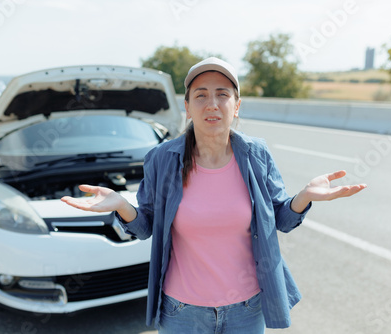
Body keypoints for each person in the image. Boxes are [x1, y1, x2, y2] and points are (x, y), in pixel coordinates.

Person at [61, 57, 367, 333]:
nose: (212, 104)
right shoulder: (162, 158)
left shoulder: (255, 154)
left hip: (246, 310)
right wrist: (122, 206)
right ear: (188, 107)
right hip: (182, 311)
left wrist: (304, 197)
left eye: (222, 94)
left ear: (236, 105)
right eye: (201, 95)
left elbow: (282, 220)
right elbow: (145, 227)